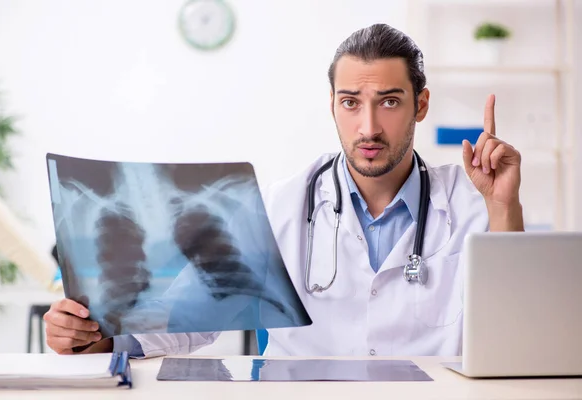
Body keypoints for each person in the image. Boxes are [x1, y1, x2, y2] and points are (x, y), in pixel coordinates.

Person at [43, 23, 524, 357]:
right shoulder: (281, 205)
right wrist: (96, 339)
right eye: (351, 103)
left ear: (420, 105)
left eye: (390, 102)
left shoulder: (472, 202)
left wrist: (505, 208)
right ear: (332, 105)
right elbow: (188, 319)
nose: (368, 126)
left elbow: (513, 335)